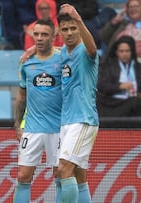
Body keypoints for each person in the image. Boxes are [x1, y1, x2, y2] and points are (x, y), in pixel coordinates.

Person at [13, 19, 62, 203]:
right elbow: (21, 96)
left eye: (44, 34)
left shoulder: (62, 58)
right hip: (32, 128)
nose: (40, 38)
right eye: (37, 34)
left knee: (60, 176)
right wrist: (17, 124)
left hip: (58, 128)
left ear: (53, 36)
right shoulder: (25, 62)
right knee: (23, 175)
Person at [55, 4, 99, 203]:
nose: (70, 32)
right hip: (67, 121)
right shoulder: (64, 52)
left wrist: (79, 19)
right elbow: (52, 50)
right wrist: (33, 50)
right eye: (65, 29)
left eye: (73, 28)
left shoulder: (86, 51)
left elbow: (92, 48)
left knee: (64, 168)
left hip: (83, 119)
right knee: (78, 176)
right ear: (60, 31)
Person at [97, 35, 141, 116]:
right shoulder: (108, 67)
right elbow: (102, 86)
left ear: (132, 52)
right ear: (116, 52)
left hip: (136, 102)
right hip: (113, 104)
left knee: (136, 102)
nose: (124, 54)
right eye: (121, 51)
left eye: (127, 51)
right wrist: (119, 86)